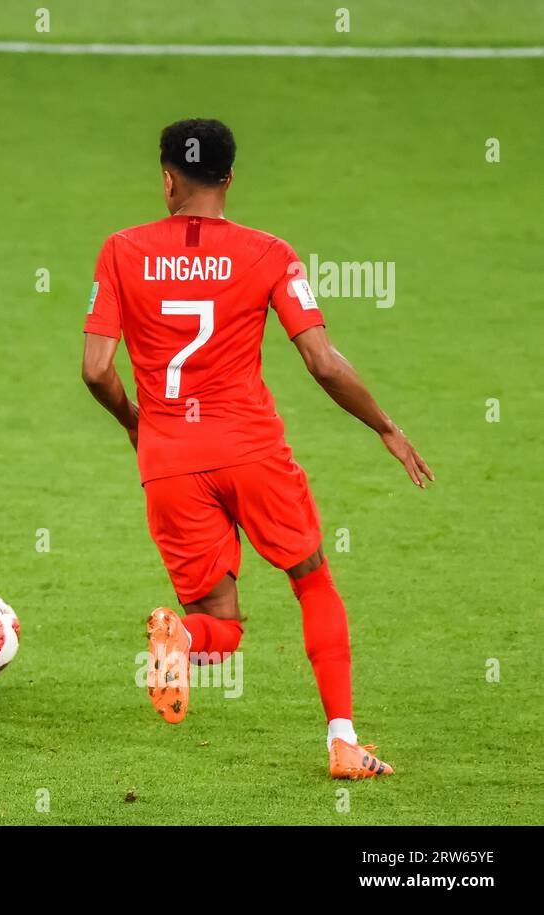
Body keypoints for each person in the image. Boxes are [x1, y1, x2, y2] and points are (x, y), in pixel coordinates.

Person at [80, 118, 432, 779]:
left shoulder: (121, 250)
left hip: (169, 461)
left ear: (166, 178)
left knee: (219, 624)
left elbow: (96, 368)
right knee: (312, 579)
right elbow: (323, 362)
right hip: (251, 449)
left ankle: (183, 635)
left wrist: (136, 419)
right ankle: (343, 742)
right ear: (229, 178)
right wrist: (384, 424)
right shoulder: (269, 253)